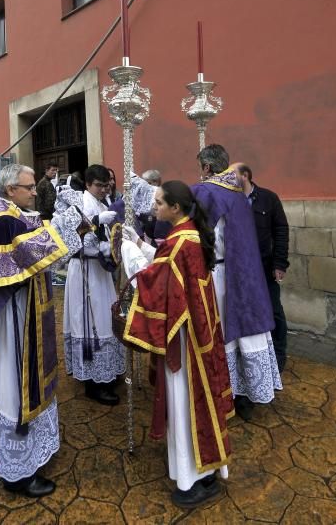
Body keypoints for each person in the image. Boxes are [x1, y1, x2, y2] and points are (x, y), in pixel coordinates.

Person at [0, 164, 83, 497]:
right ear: (11, 188)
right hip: (15, 320)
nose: (34, 191)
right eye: (29, 187)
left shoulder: (11, 213)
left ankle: (24, 458)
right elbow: (26, 256)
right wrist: (64, 224)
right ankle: (18, 474)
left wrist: (56, 225)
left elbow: (30, 244)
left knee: (17, 385)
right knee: (16, 385)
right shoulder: (1, 219)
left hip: (22, 312)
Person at [121, 181, 233, 509]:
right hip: (196, 335)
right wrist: (141, 243)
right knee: (195, 402)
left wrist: (127, 252)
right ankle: (204, 470)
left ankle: (193, 479)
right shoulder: (186, 235)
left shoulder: (181, 241)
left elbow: (155, 281)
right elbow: (164, 266)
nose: (154, 208)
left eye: (159, 203)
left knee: (186, 404)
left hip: (183, 342)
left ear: (176, 208)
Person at [191, 144, 282, 421]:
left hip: (218, 275)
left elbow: (186, 230)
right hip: (245, 274)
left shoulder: (205, 191)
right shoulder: (240, 193)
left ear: (207, 167)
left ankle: (224, 394)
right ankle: (246, 396)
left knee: (223, 335)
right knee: (244, 332)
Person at [64, 164, 125, 405]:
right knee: (91, 324)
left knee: (104, 319)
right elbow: (67, 237)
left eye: (106, 185)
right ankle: (93, 382)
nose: (103, 189)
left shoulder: (103, 203)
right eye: (98, 185)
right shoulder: (76, 204)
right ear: (88, 184)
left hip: (101, 271)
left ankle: (105, 371)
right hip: (85, 270)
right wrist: (97, 221)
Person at [235, 163, 289, 372]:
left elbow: (281, 231)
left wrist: (279, 263)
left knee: (274, 311)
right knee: (247, 311)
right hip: (241, 269)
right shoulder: (232, 201)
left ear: (246, 176)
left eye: (233, 175)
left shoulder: (269, 198)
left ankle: (279, 354)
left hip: (265, 267)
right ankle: (254, 354)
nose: (229, 180)